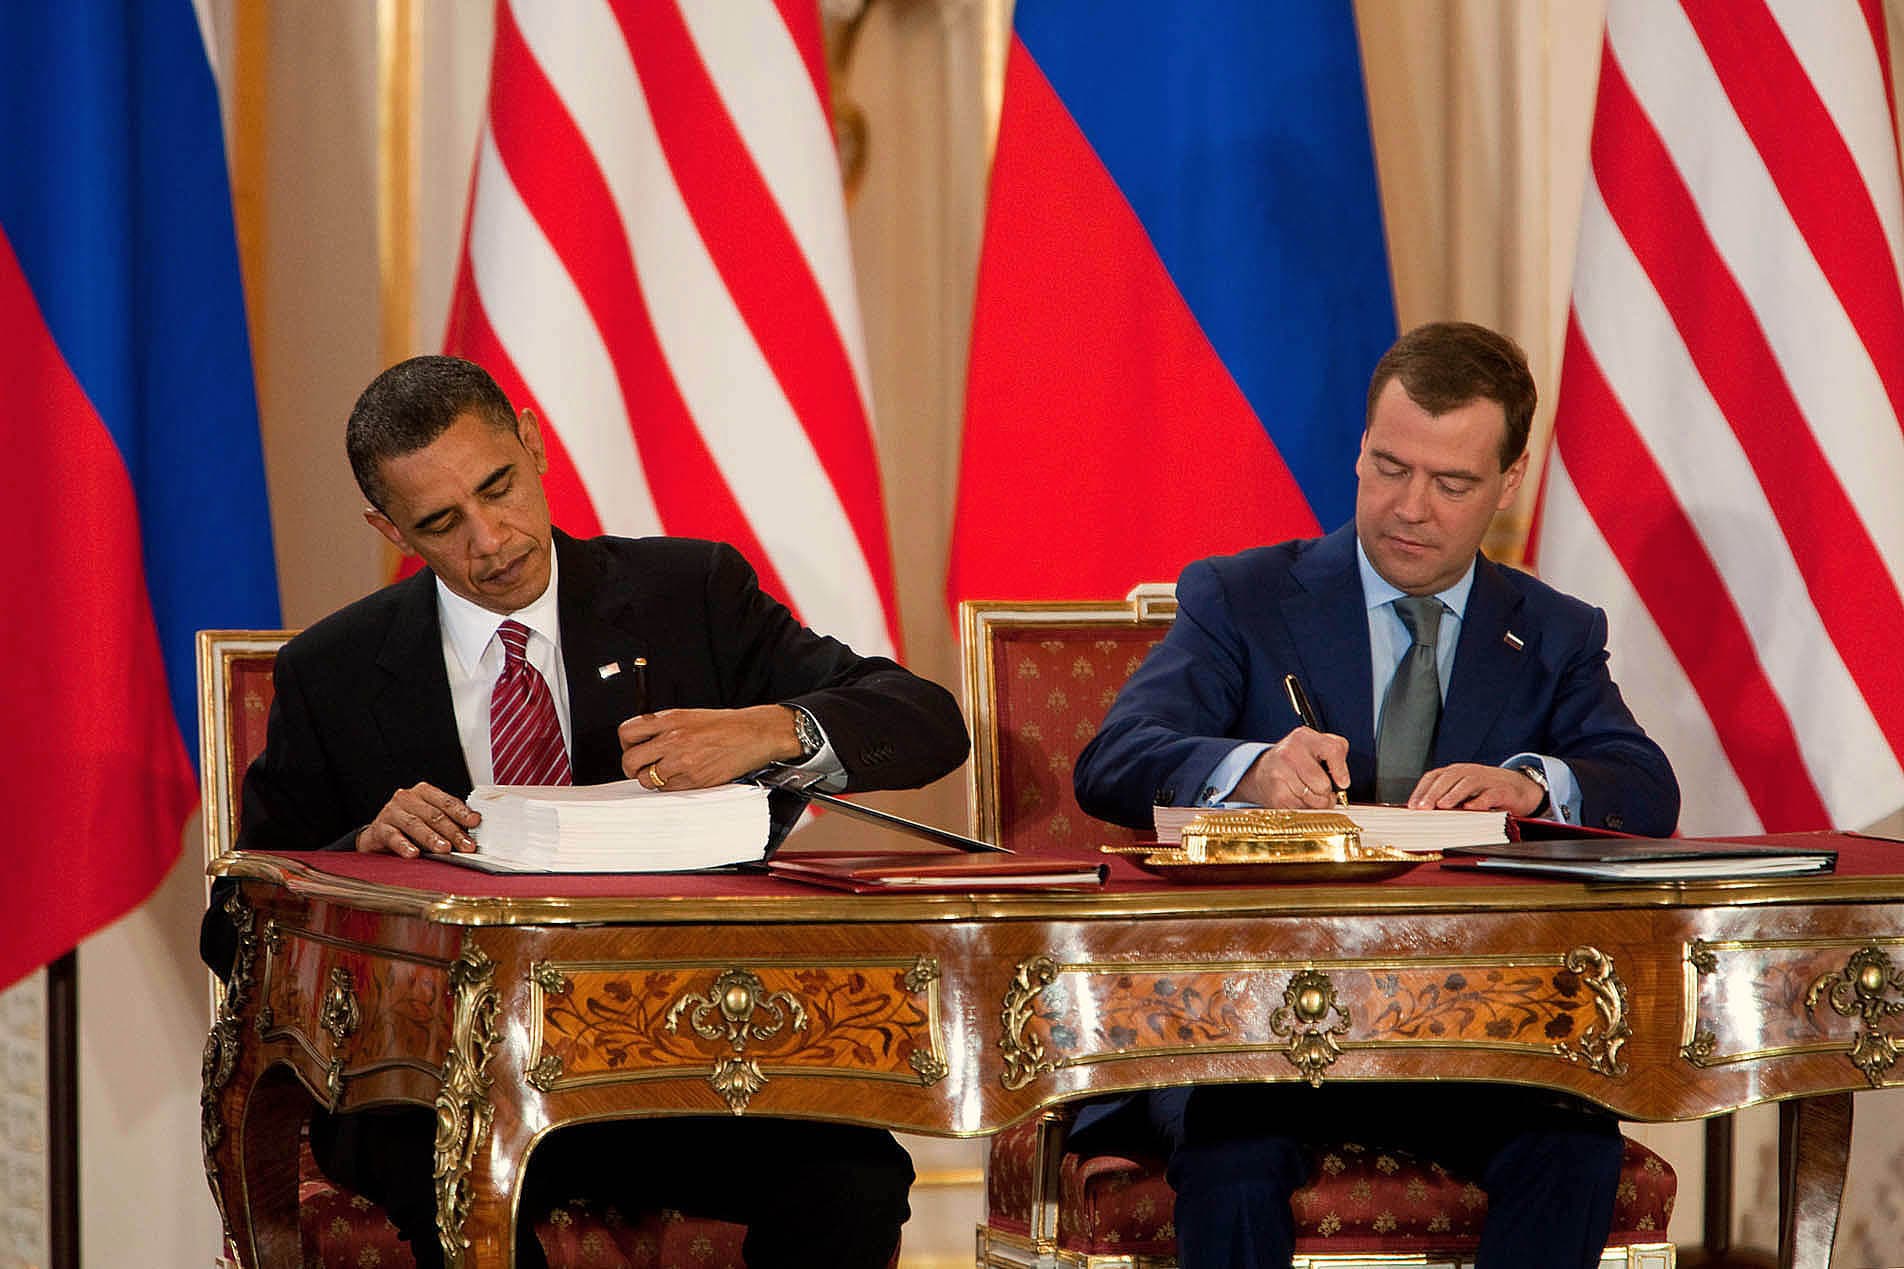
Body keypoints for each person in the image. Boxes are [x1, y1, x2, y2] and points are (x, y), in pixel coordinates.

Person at [200, 355, 970, 1269]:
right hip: (437, 1083)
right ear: (388, 526)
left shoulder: (693, 596)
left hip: (675, 1060)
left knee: (852, 1171)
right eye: (442, 523)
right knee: (451, 1170)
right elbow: (234, 926)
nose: (490, 541)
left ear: (533, 442)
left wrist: (771, 730)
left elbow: (927, 722)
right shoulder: (332, 671)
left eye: (500, 487)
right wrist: (355, 857)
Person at [1071, 321, 1679, 1269]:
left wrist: (1531, 781)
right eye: (1389, 467)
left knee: (1573, 1140)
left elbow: (1644, 786)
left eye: (1451, 483)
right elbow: (1114, 758)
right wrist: (1250, 767)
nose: (1410, 507)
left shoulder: (1553, 632)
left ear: (1508, 484)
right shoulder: (1243, 598)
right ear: (1359, 449)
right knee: (1232, 1154)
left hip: (1468, 1030)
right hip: (1253, 1025)